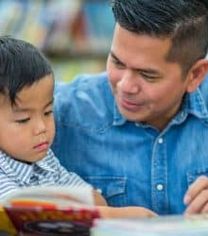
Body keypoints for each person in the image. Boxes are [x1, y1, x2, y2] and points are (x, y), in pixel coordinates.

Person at [52, 0, 208, 215]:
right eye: (117, 62)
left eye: (147, 75)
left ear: (195, 74)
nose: (125, 86)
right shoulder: (54, 114)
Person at [0, 36, 155, 218]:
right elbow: (20, 215)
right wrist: (116, 215)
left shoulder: (45, 159)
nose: (41, 127)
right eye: (24, 120)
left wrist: (88, 202)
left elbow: (94, 199)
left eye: (48, 112)